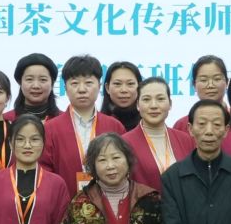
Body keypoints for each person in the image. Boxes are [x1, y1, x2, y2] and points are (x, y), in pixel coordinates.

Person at [42, 55, 125, 183]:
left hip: (109, 194)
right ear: (65, 88)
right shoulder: (50, 129)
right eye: (74, 83)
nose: (82, 89)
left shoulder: (115, 126)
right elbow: (44, 171)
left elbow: (125, 167)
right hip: (65, 194)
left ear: (99, 86)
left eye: (88, 83)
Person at [123, 76, 191, 190]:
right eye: (146, 99)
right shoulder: (124, 143)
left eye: (160, 99)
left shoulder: (186, 140)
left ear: (170, 104)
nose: (153, 105)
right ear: (138, 105)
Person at [173, 55, 229, 132]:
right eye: (203, 80)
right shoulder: (181, 126)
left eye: (217, 79)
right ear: (194, 85)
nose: (210, 85)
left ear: (227, 82)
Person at [13, 53, 61, 120]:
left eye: (43, 80)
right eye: (29, 79)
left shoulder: (66, 120)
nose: (36, 86)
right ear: (20, 82)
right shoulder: (5, 120)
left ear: (52, 83)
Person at [102, 60, 142, 130]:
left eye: (130, 84)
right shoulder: (98, 122)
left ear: (140, 87)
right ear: (107, 88)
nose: (124, 90)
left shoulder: (148, 122)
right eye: (117, 84)